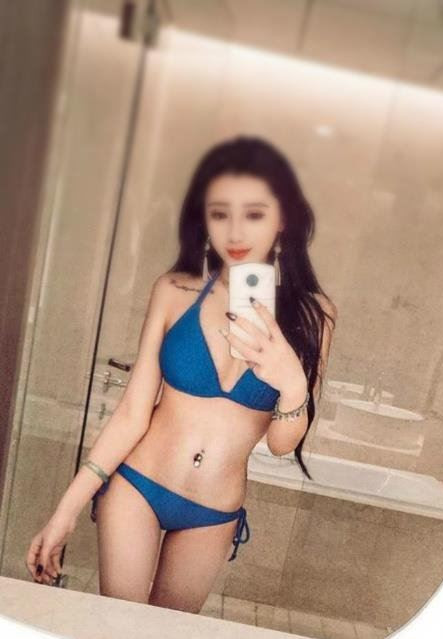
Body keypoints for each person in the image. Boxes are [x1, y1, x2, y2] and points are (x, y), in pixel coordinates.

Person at [26, 135, 337, 612]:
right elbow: (132, 413)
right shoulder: (174, 291)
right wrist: (65, 512)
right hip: (139, 486)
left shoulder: (314, 316)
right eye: (220, 213)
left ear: (283, 220)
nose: (235, 230)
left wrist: (292, 380)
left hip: (214, 512)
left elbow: (281, 444)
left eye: (254, 214)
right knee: (121, 628)